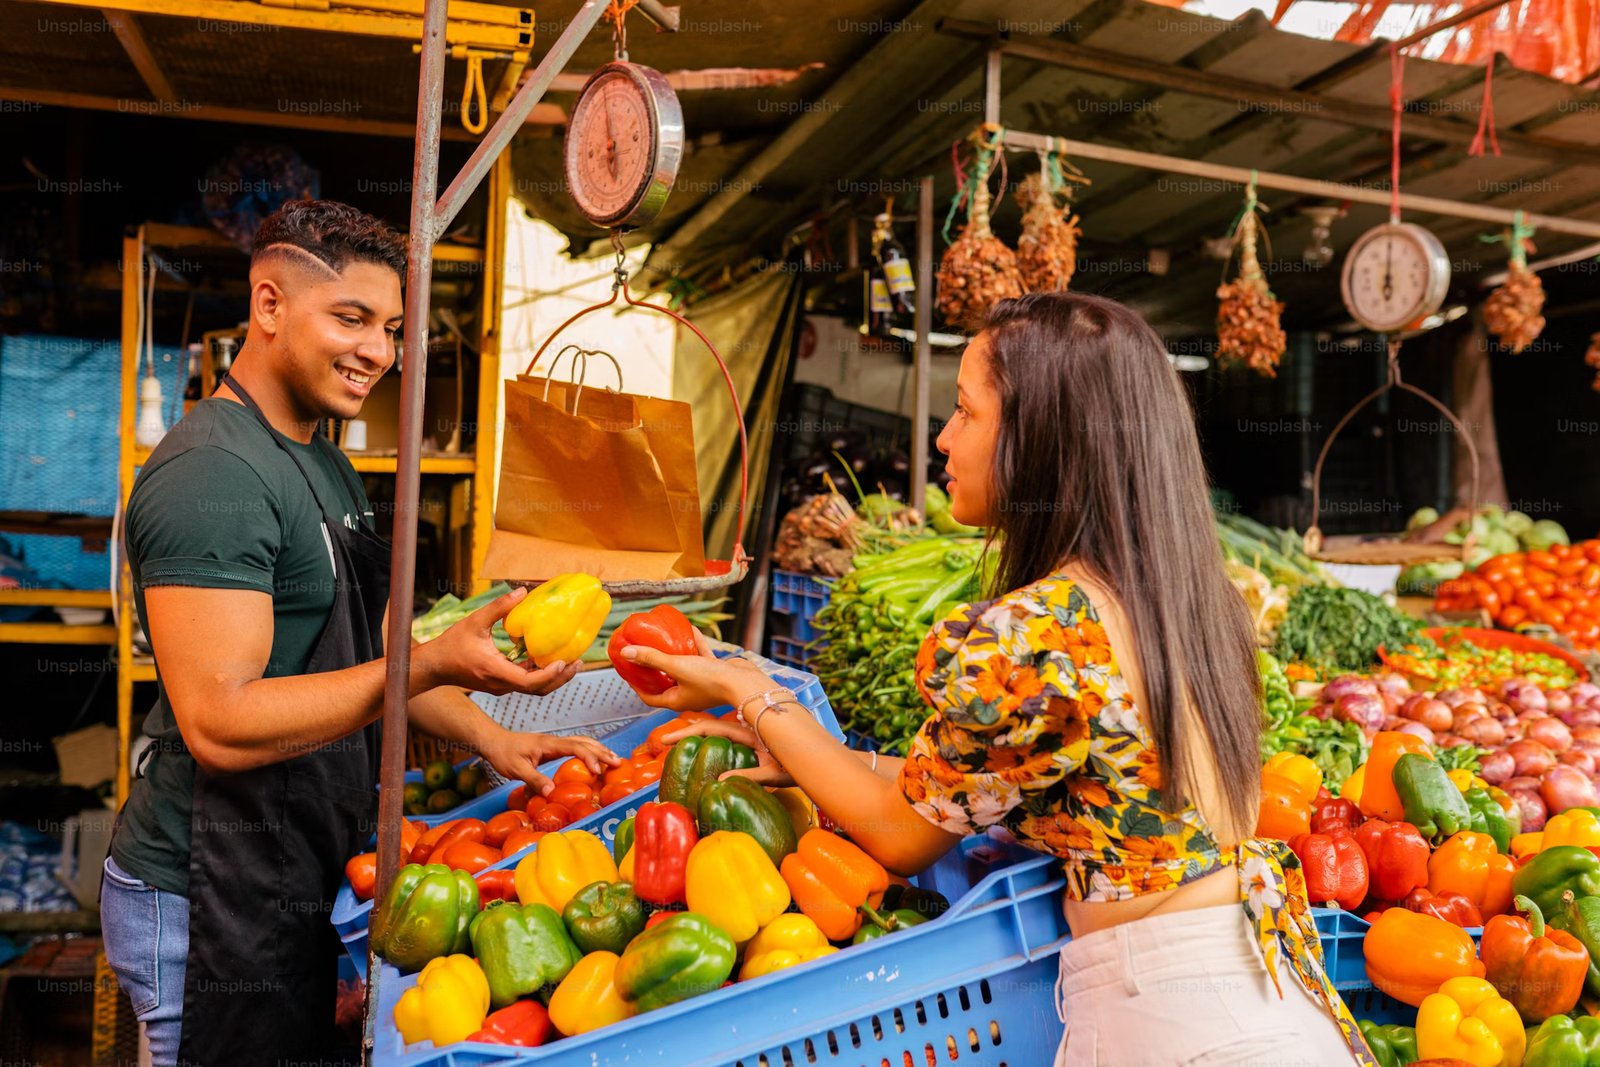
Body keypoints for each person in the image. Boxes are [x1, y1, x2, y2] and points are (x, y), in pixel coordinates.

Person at [619, 292, 1375, 1066]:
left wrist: (746, 688)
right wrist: (813, 753)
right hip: (1255, 997)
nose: (943, 438)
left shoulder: (1036, 636)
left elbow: (899, 834)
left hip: (1182, 1031)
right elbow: (970, 788)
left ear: (1043, 439)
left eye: (964, 410)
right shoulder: (1190, 602)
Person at [102, 199, 618, 1066]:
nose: (380, 351)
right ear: (269, 305)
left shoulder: (325, 460)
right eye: (351, 318)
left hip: (291, 864)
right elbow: (220, 722)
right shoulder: (209, 473)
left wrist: (494, 737)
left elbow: (379, 649)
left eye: (392, 328)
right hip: (202, 883)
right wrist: (429, 662)